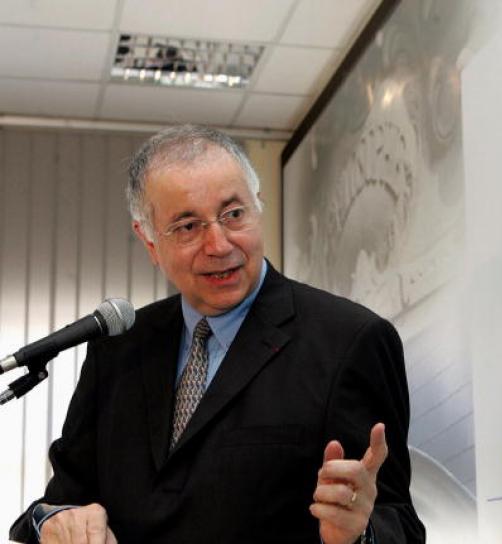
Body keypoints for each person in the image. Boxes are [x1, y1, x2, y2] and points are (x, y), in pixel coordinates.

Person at [9, 125, 425, 543]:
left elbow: (398, 522)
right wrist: (54, 521)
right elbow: (62, 501)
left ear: (257, 207)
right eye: (188, 226)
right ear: (150, 242)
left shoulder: (350, 341)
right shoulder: (117, 348)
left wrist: (358, 535)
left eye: (234, 215)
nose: (219, 244)